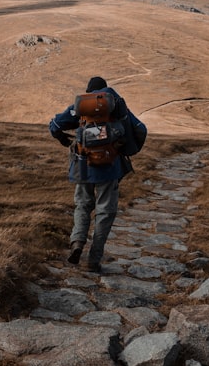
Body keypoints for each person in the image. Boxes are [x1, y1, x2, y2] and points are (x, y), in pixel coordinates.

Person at [48, 76, 143, 273]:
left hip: (83, 164)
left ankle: (77, 242)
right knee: (105, 213)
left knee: (82, 205)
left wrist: (64, 140)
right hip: (110, 167)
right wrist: (126, 149)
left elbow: (55, 125)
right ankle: (93, 259)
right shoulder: (116, 105)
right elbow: (141, 129)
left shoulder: (82, 106)